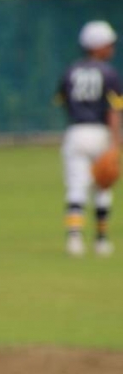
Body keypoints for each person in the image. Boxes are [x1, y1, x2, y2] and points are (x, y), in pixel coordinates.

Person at [55, 20, 123, 257]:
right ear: (97, 46)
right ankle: (101, 241)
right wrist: (116, 142)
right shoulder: (110, 73)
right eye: (108, 44)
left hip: (76, 131)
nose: (112, 48)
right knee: (103, 186)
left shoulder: (70, 71)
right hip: (101, 132)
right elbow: (114, 109)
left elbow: (62, 100)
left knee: (76, 185)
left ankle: (74, 239)